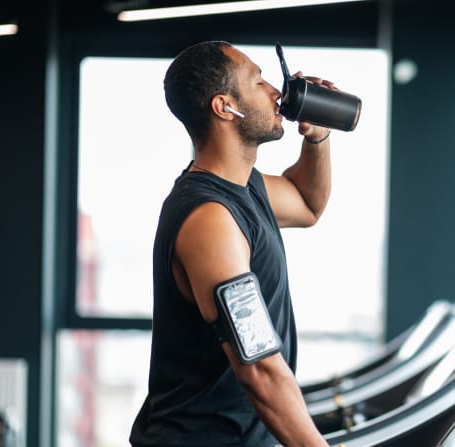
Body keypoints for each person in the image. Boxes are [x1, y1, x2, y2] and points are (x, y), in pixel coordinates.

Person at [130, 41, 333, 446]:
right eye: (258, 81)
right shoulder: (210, 220)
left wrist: (318, 137)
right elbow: (257, 367)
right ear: (225, 107)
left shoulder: (245, 188)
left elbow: (308, 204)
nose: (276, 91)